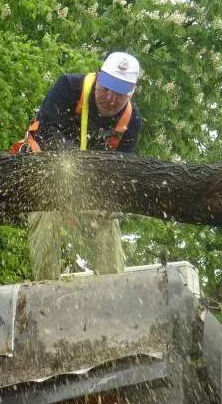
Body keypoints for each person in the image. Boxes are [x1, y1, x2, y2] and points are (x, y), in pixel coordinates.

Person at [12, 52, 143, 280]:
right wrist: (73, 158)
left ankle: (113, 287)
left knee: (105, 223)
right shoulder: (69, 88)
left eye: (119, 94)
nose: (110, 98)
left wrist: (109, 199)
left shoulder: (132, 121)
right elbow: (47, 129)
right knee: (45, 219)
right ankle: (46, 289)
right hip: (48, 175)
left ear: (130, 93)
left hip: (90, 187)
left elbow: (121, 168)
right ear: (99, 79)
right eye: (106, 89)